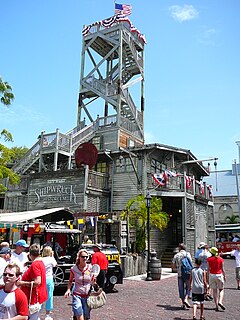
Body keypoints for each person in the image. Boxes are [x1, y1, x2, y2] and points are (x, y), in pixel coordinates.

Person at [17, 244, 48, 320]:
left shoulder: (35, 264)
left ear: (30, 254)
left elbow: (37, 282)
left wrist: (22, 283)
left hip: (34, 298)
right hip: (38, 296)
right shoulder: (40, 262)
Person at [64, 249, 96, 320]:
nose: (85, 258)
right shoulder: (74, 269)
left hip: (87, 296)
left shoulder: (91, 268)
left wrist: (94, 282)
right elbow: (70, 281)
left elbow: (93, 282)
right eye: (83, 256)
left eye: (86, 257)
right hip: (77, 295)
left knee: (86, 317)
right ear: (79, 257)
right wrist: (68, 290)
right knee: (80, 316)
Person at [172, 243, 192, 310]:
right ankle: (186, 298)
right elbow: (190, 263)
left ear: (179, 248)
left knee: (181, 289)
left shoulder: (176, 255)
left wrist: (177, 268)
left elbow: (173, 266)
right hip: (187, 273)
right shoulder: (187, 254)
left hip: (180, 274)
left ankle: (183, 303)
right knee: (188, 287)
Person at [207, 246, 226, 312]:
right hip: (219, 274)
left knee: (214, 291)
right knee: (221, 289)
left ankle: (216, 306)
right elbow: (223, 269)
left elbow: (208, 269)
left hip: (212, 275)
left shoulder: (209, 259)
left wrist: (207, 277)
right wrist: (224, 276)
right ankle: (220, 301)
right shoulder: (221, 259)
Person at [42, 246, 57, 320]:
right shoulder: (51, 259)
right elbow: (55, 264)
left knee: (40, 296)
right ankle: (47, 315)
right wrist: (53, 256)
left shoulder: (41, 259)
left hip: (42, 279)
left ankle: (37, 313)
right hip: (49, 279)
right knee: (49, 296)